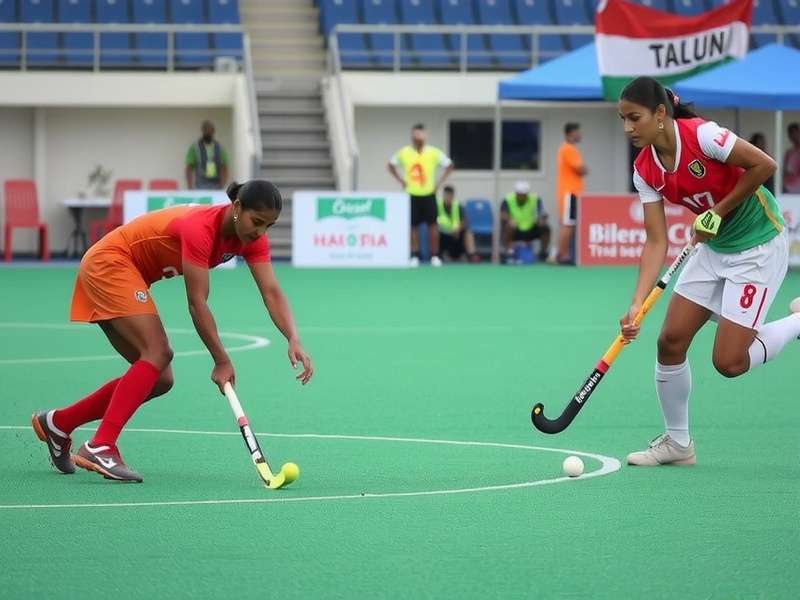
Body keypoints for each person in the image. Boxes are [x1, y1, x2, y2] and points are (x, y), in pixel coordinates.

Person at [31, 180, 313, 482]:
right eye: (256, 222)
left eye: (268, 226)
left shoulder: (252, 239)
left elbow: (271, 291)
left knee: (160, 379)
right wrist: (221, 359)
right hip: (110, 263)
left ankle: (59, 423)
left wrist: (292, 336)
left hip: (128, 273)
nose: (260, 232)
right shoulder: (200, 228)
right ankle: (101, 445)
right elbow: (197, 303)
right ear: (237, 207)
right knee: (158, 352)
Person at [618, 76, 799, 467]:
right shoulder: (644, 169)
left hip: (758, 246)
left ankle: (798, 321)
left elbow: (763, 165)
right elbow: (655, 241)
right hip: (711, 248)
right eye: (623, 119)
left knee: (730, 363)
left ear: (661, 114)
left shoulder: (703, 137)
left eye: (635, 117)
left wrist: (717, 211)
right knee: (670, 340)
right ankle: (678, 444)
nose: (628, 127)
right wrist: (636, 304)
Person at [387, 123, 454, 267]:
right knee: (413, 226)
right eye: (415, 134)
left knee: (432, 226)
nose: (418, 137)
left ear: (425, 136)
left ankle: (435, 256)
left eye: (421, 134)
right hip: (411, 193)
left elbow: (449, 165)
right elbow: (390, 165)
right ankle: (414, 255)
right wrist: (401, 181)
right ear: (412, 136)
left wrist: (438, 184)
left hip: (429, 193)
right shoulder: (404, 152)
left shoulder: (433, 152)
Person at [555, 123, 588, 264]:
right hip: (570, 192)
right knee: (567, 224)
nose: (579, 135)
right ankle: (562, 255)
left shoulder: (566, 148)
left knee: (569, 224)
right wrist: (584, 169)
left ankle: (562, 254)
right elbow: (581, 169)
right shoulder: (568, 149)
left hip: (570, 192)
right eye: (577, 132)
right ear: (570, 133)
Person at [500, 181, 550, 263]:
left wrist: (541, 218)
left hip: (531, 228)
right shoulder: (508, 199)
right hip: (515, 229)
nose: (522, 196)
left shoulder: (535, 198)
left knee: (545, 227)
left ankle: (543, 253)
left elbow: (541, 212)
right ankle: (510, 253)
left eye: (524, 194)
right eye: (520, 194)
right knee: (508, 227)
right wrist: (509, 220)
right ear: (516, 193)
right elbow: (503, 214)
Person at [437, 185, 478, 262]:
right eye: (446, 195)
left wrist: (458, 228)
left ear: (453, 196)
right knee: (435, 233)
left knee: (468, 232)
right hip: (443, 234)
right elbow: (433, 222)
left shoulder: (458, 206)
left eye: (450, 195)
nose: (448, 197)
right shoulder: (438, 206)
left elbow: (465, 221)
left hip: (456, 234)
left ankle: (472, 255)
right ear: (443, 195)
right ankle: (437, 255)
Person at [186, 120, 229, 190]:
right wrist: (190, 187)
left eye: (210, 130)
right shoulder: (194, 147)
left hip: (216, 186)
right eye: (206, 130)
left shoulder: (220, 147)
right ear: (202, 130)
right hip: (200, 187)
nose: (208, 132)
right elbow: (189, 169)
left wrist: (222, 184)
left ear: (213, 131)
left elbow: (225, 167)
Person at [782, 122, 800, 193]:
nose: (793, 136)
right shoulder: (789, 153)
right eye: (790, 133)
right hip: (789, 188)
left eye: (794, 133)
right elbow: (785, 171)